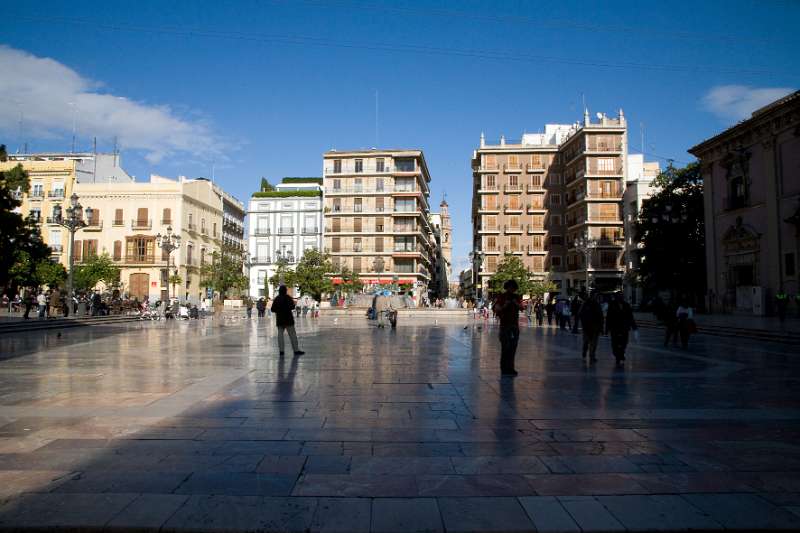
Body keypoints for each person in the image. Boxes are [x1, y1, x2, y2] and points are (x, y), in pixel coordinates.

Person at [493, 279, 522, 376]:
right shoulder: (501, 296)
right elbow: (496, 308)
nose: (512, 289)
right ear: (507, 287)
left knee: (513, 347)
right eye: (510, 287)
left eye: (513, 287)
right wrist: (505, 305)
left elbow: (521, 308)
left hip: (514, 325)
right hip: (505, 325)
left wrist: (515, 303)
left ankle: (511, 368)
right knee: (505, 347)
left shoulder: (516, 297)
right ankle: (504, 368)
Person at [270, 285, 304, 356]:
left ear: (279, 291)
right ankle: (296, 350)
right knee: (292, 335)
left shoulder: (277, 298)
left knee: (280, 335)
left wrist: (278, 310)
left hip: (280, 319)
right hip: (288, 319)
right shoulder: (288, 298)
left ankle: (281, 351)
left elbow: (272, 309)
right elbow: (292, 306)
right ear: (285, 291)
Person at [605, 292, 637, 364]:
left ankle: (622, 352)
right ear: (616, 297)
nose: (620, 297)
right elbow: (609, 317)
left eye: (621, 296)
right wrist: (607, 329)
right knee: (615, 342)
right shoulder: (612, 305)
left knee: (625, 342)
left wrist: (633, 326)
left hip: (624, 327)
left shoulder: (626, 305)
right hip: (615, 327)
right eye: (619, 296)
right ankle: (617, 354)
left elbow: (630, 316)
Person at [578, 292, 604, 362]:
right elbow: (580, 314)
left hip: (594, 327)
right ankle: (585, 351)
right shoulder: (586, 304)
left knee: (593, 343)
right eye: (595, 296)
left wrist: (601, 327)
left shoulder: (597, 305)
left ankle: (592, 356)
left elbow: (600, 316)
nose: (596, 298)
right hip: (587, 327)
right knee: (586, 342)